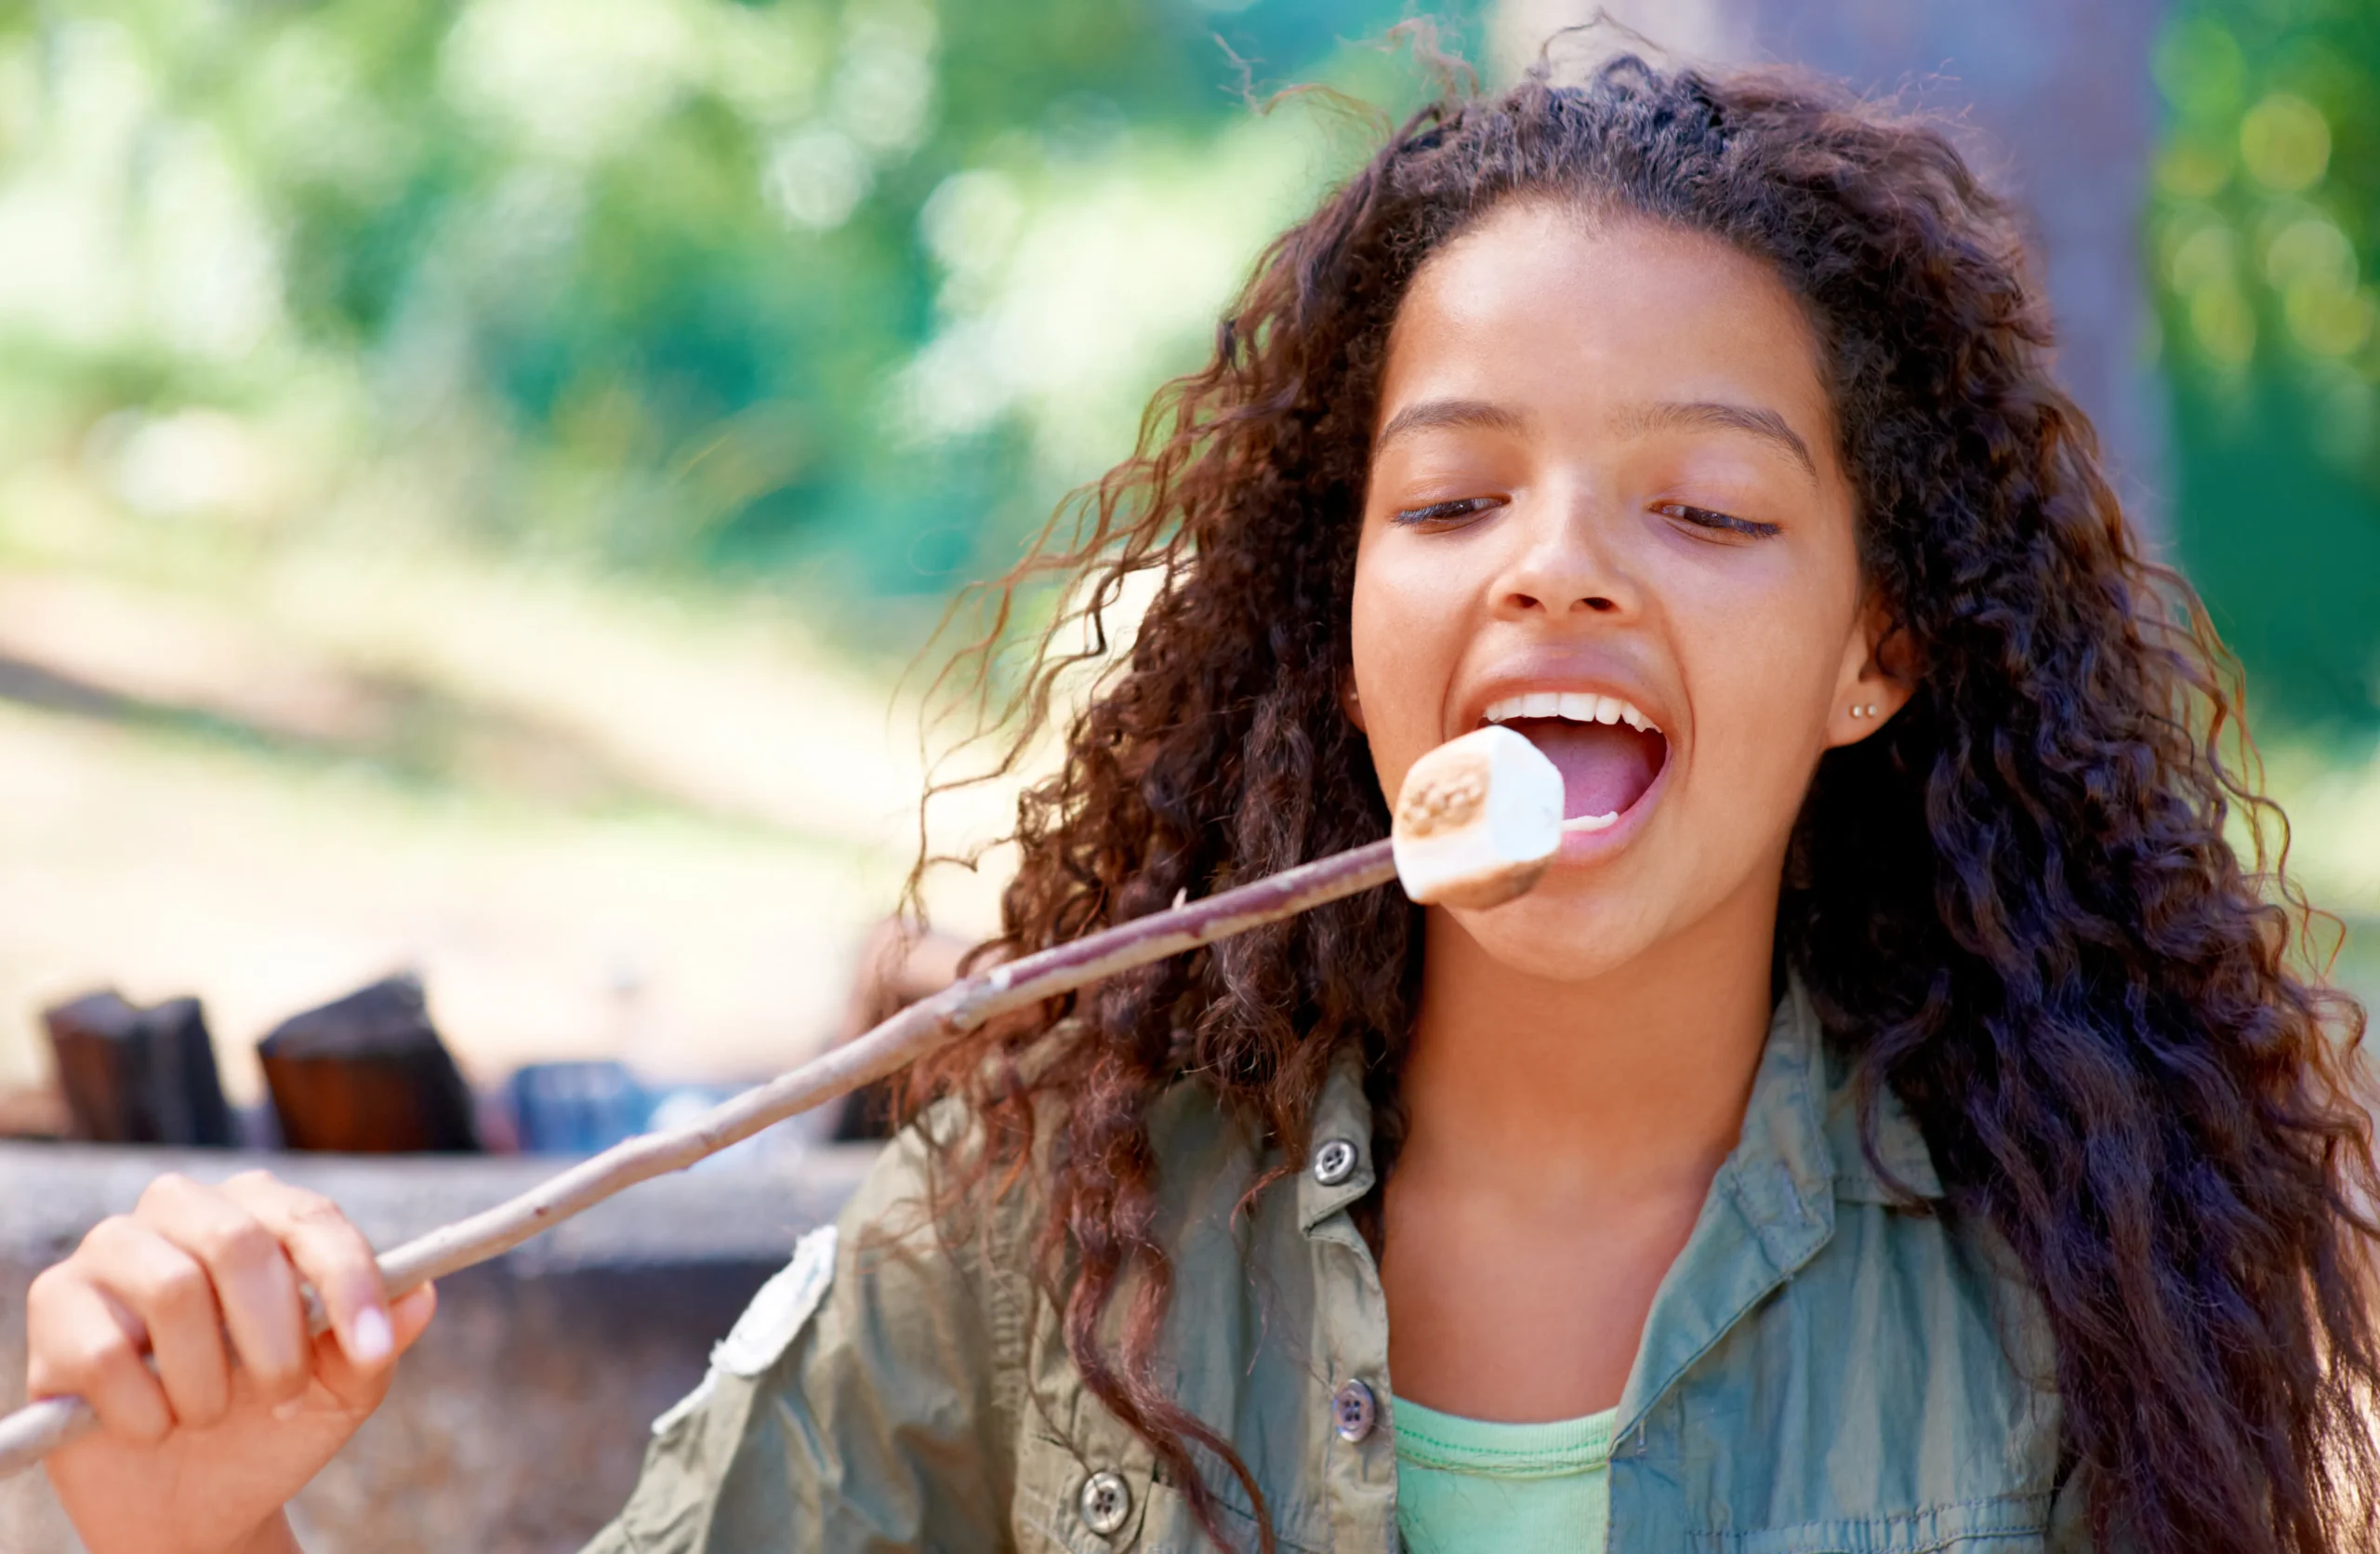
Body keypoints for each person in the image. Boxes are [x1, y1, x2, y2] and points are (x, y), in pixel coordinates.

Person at [23, 51, 2379, 1554]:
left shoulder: (2066, 1281)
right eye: (1448, 501)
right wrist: (199, 1527)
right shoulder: (1043, 1224)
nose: (1553, 563)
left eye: (1706, 510)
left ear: (1875, 652)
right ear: (1335, 616)